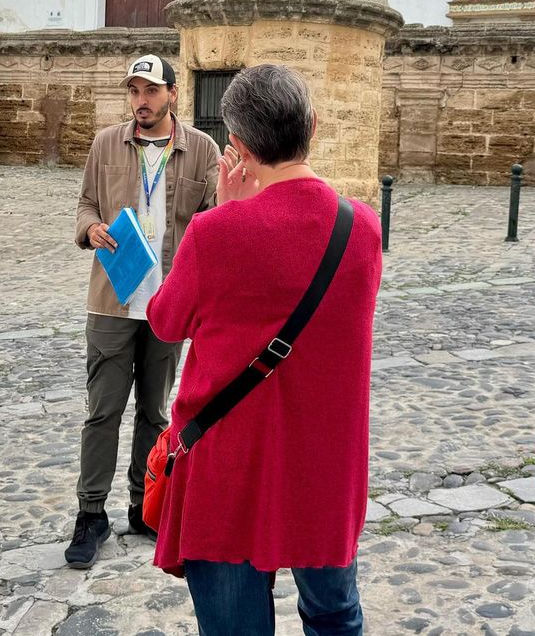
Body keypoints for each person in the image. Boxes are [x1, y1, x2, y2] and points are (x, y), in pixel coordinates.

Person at [147, 64, 382, 636]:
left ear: (239, 149)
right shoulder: (363, 228)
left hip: (228, 465)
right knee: (333, 617)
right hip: (324, 467)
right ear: (314, 127)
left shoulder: (215, 234)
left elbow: (166, 321)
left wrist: (225, 212)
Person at [67, 54, 219, 568]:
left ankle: (144, 505)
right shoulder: (107, 143)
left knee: (155, 413)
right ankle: (91, 513)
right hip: (113, 298)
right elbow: (87, 203)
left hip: (167, 302)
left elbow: (212, 224)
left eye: (151, 91)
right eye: (134, 91)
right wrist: (91, 229)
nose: (141, 101)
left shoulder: (201, 150)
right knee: (103, 412)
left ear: (173, 93)